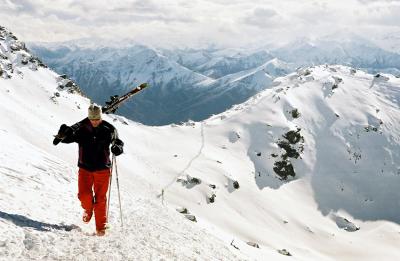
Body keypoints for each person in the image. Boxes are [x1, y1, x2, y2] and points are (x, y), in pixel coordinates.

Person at [53, 104, 124, 236]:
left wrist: (118, 148)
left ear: (101, 117)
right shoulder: (81, 127)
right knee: (84, 195)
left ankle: (101, 227)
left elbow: (117, 142)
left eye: (97, 119)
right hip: (85, 168)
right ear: (89, 117)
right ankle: (88, 209)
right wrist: (62, 135)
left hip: (103, 169)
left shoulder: (109, 129)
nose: (95, 122)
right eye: (92, 119)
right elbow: (69, 138)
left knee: (100, 198)